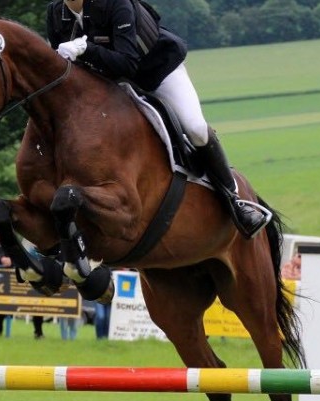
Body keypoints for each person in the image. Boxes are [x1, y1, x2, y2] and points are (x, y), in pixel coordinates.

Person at [46, 0, 270, 239]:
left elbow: (127, 63)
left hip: (157, 72)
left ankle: (235, 200)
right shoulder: (56, 14)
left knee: (195, 128)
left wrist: (86, 49)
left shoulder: (116, 5)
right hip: (109, 85)